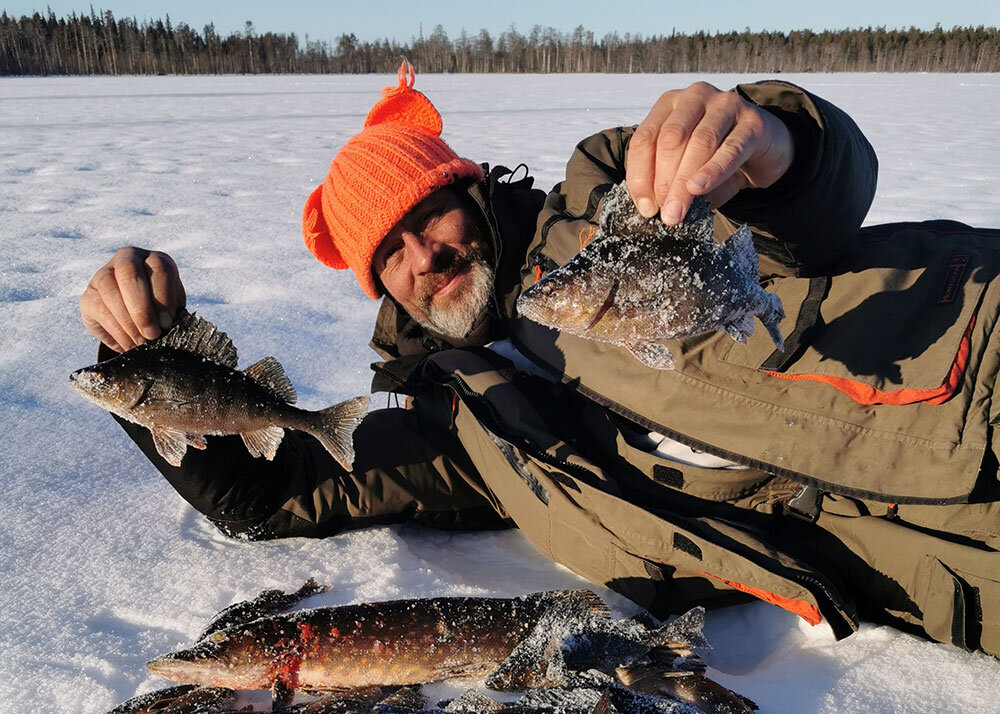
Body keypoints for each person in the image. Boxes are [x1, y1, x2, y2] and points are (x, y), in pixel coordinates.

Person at [79, 65, 1000, 657]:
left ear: (472, 187)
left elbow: (816, 209)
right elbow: (276, 497)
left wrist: (771, 140)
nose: (422, 257)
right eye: (387, 256)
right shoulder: (459, 432)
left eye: (426, 216)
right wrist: (144, 361)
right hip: (950, 565)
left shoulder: (615, 199)